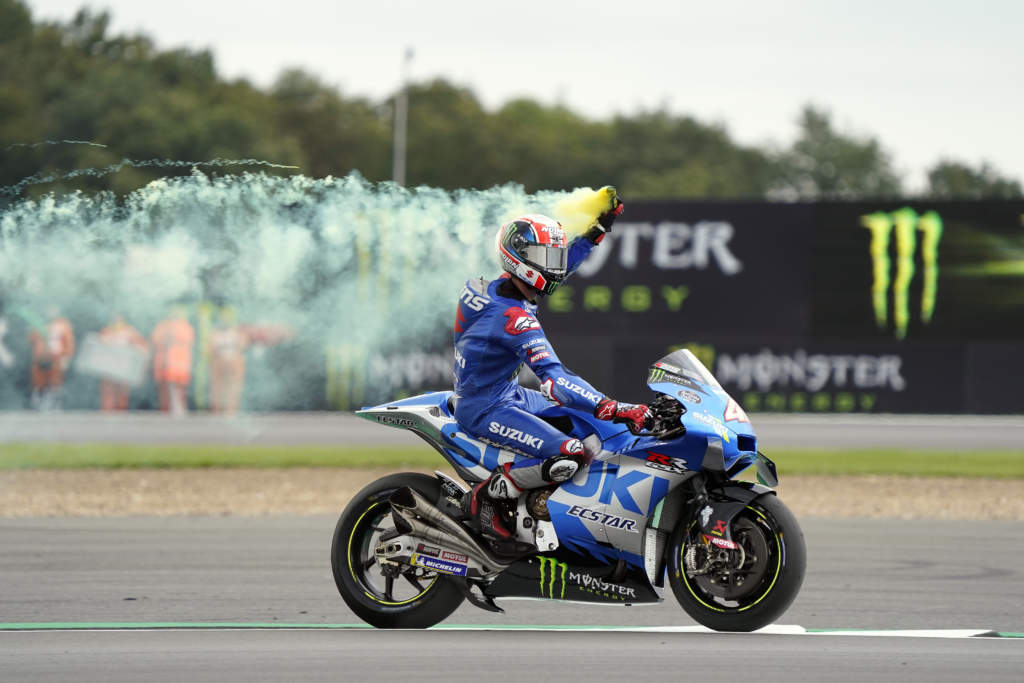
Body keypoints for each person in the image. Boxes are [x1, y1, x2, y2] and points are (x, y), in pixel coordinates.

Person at [453, 195, 652, 543]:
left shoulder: (492, 288)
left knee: (594, 427)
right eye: (546, 258)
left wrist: (595, 232)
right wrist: (613, 406)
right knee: (570, 454)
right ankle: (491, 493)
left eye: (554, 257)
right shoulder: (513, 318)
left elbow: (563, 265)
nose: (556, 266)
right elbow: (556, 381)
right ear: (521, 259)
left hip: (506, 394)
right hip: (485, 407)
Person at [97, 315, 148, 411]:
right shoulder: (107, 331)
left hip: (123, 369)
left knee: (122, 393)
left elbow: (142, 347)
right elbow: (99, 348)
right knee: (108, 392)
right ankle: (107, 415)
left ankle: (120, 414)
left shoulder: (130, 332)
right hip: (109, 368)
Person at [151, 306, 195, 417]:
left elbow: (187, 340)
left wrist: (172, 337)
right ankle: (165, 412)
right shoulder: (162, 326)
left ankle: (180, 411)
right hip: (163, 365)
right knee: (165, 390)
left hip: (179, 366)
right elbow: (155, 340)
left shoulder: (185, 326)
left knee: (180, 389)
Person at [28, 308, 75, 410]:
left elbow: (68, 341)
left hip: (56, 357)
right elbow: (32, 340)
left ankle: (55, 404)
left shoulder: (63, 324)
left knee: (55, 382)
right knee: (39, 382)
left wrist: (66, 357)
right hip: (41, 357)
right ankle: (39, 403)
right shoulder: (38, 323)